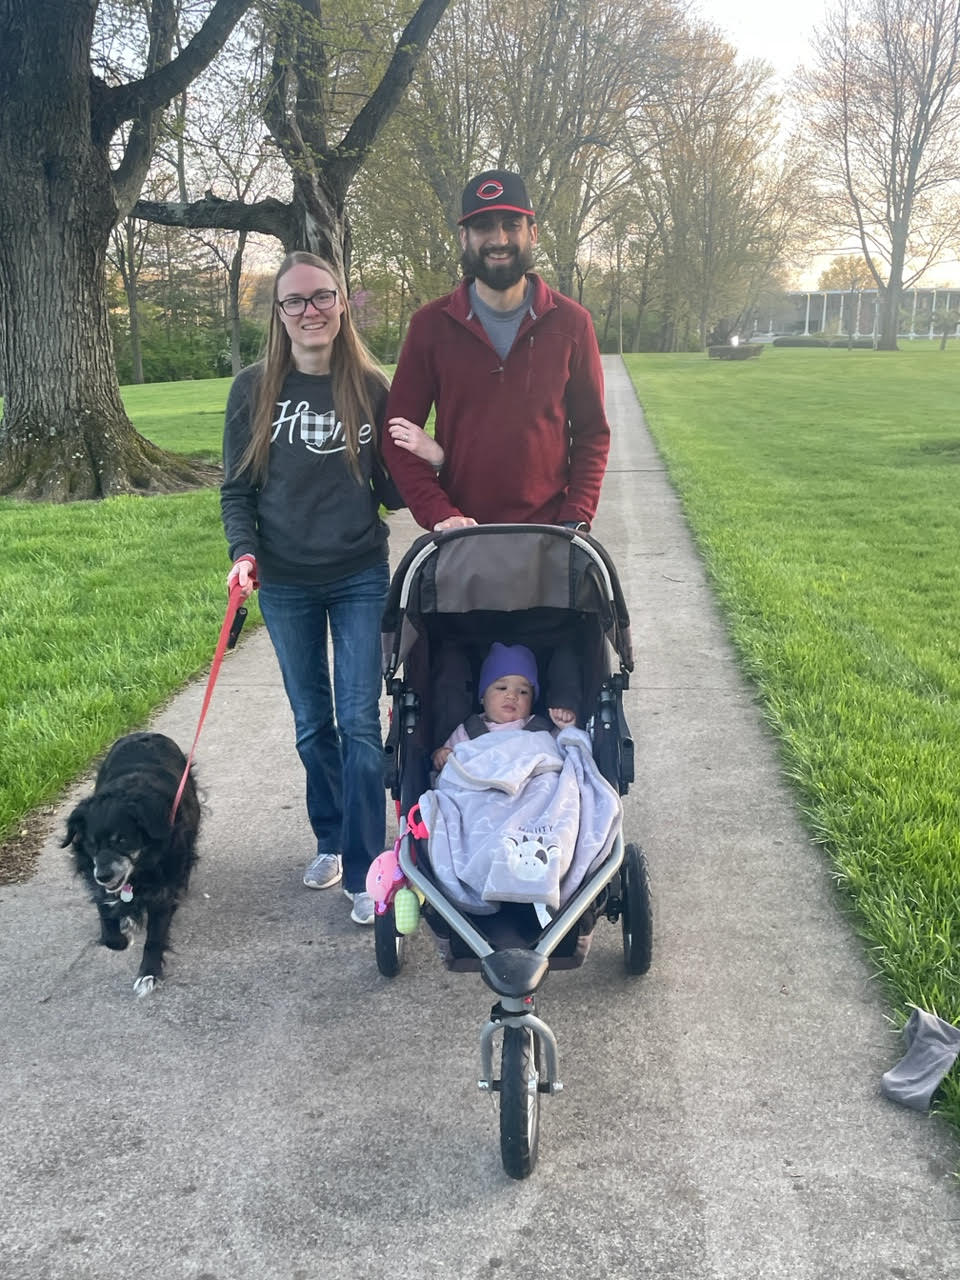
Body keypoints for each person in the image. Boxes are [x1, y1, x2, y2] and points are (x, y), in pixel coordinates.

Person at [220, 250, 423, 927]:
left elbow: (392, 493)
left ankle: (369, 864)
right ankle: (329, 836)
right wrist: (243, 554)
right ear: (278, 314)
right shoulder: (253, 389)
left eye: (322, 297)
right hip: (285, 582)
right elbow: (236, 489)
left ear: (341, 305)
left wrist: (427, 454)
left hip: (360, 573)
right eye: (295, 301)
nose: (310, 311)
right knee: (313, 726)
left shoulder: (370, 385)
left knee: (360, 724)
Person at [382, 168, 610, 533]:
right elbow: (396, 437)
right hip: (462, 537)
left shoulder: (572, 323)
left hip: (551, 536)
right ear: (464, 237)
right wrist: (440, 514)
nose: (498, 238)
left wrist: (576, 517)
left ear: (532, 233)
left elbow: (592, 433)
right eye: (483, 226)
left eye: (510, 224)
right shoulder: (430, 325)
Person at [432, 643, 576, 772]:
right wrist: (441, 756)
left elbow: (566, 753)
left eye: (523, 692)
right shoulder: (467, 731)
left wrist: (566, 727)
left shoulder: (542, 729)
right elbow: (448, 759)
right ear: (482, 697)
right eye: (502, 688)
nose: (512, 696)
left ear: (531, 703)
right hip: (481, 785)